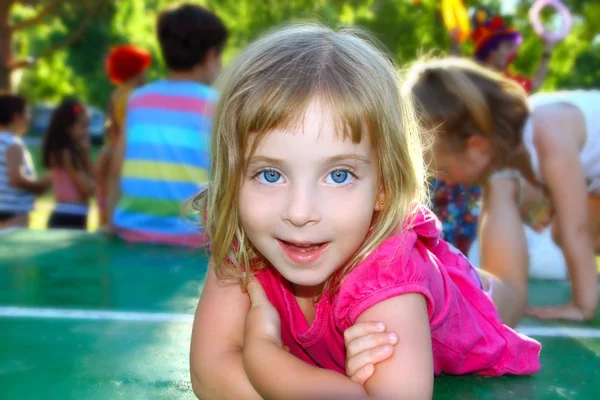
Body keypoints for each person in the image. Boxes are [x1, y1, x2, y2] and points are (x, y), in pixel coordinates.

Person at [189, 24, 541, 400]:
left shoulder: (387, 275)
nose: (300, 212)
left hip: (467, 300)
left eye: (338, 175)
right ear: (232, 178)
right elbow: (210, 373)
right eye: (270, 174)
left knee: (505, 294)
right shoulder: (244, 233)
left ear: (384, 187)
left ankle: (502, 189)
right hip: (415, 270)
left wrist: (263, 354)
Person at [404, 57, 599, 322]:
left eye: (443, 170)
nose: (445, 182)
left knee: (568, 231)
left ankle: (587, 299)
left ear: (478, 148)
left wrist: (582, 306)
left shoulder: (548, 131)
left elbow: (574, 228)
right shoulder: (519, 148)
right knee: (561, 233)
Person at [106, 3, 228, 246]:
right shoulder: (217, 103)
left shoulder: (138, 100)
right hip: (195, 239)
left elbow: (115, 171)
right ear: (210, 56)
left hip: (132, 233)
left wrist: (111, 224)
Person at [97, 44, 152, 227]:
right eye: (144, 69)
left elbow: (112, 126)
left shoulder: (116, 94)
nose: (146, 73)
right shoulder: (135, 96)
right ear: (135, 70)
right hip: (127, 155)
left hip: (112, 150)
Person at [0, 93, 51, 229]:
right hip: (13, 213)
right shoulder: (13, 144)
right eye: (27, 114)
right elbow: (16, 178)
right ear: (16, 117)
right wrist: (40, 185)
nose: (30, 119)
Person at [42, 98, 95, 230]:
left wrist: (85, 155)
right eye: (83, 126)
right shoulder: (67, 152)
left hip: (74, 213)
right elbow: (89, 188)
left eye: (88, 126)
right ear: (67, 127)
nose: (87, 131)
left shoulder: (66, 151)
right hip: (68, 215)